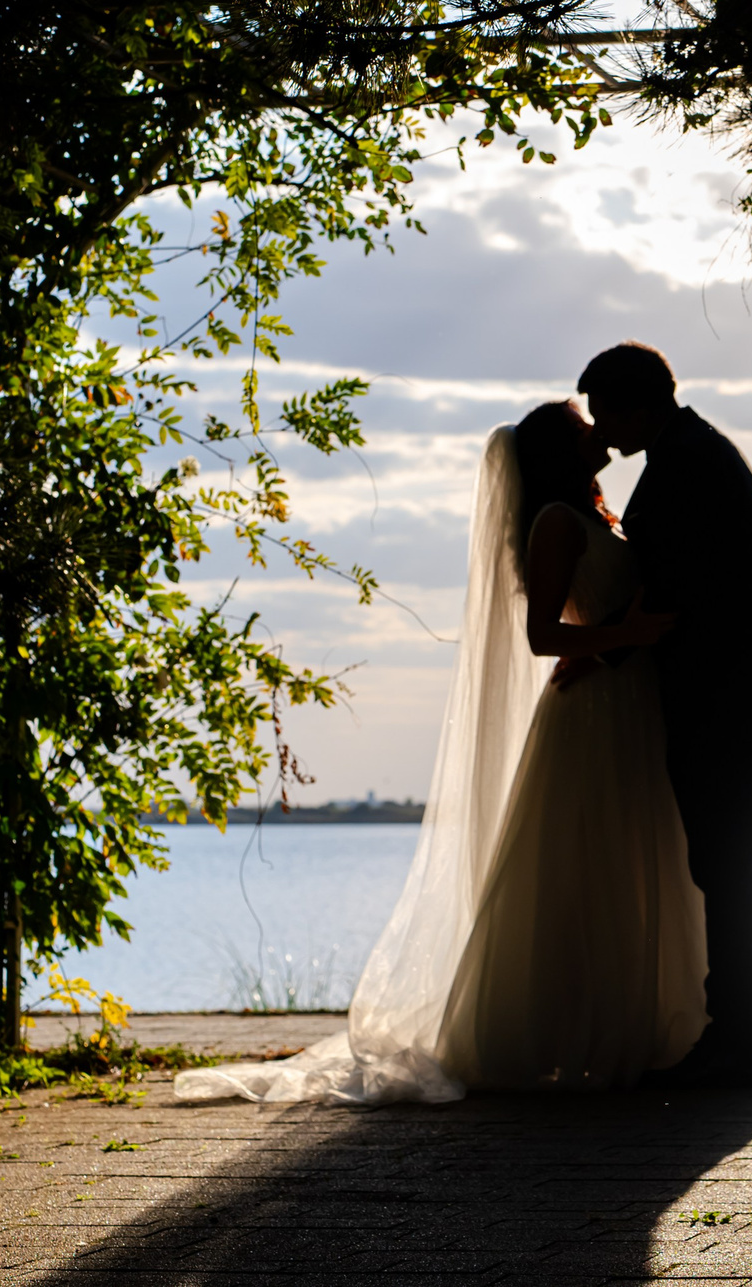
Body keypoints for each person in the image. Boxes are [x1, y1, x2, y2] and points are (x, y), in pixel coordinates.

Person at [175, 401, 704, 1105]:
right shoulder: (555, 521)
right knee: (585, 868)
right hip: (592, 715)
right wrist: (621, 636)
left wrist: (613, 641)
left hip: (626, 702)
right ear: (558, 450)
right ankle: (570, 1033)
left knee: (630, 861)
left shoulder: (597, 516)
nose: (596, 430)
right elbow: (543, 635)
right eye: (581, 425)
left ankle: (630, 1025)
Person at [580, 341, 752, 1088]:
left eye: (604, 414)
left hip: (728, 690)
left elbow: (676, 590)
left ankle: (742, 1038)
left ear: (637, 404)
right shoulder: (693, 452)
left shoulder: (686, 465)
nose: (600, 432)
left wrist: (591, 651)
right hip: (744, 684)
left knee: (734, 864)